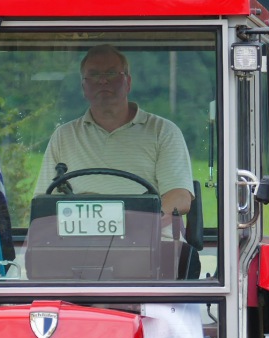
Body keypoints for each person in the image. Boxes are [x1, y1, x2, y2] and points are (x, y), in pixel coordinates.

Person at [33, 45, 194, 220]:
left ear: (128, 83)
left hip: (152, 240)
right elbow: (43, 202)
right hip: (80, 242)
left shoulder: (163, 131)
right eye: (94, 74)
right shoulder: (63, 136)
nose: (103, 81)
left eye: (111, 73)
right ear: (83, 86)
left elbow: (180, 197)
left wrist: (139, 225)